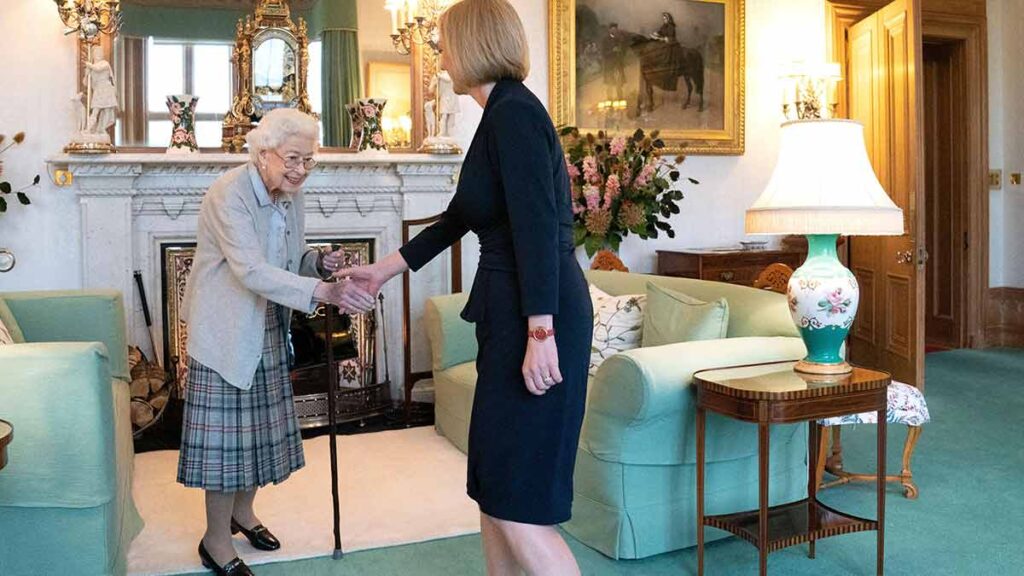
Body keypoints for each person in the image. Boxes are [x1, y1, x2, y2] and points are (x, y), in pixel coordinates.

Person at [336, 1, 592, 574]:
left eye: (445, 43)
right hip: (512, 316)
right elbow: (459, 217)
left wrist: (541, 331)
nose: (440, 54)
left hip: (538, 316)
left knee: (521, 501)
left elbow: (537, 230)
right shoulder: (497, 114)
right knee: (497, 489)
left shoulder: (515, 115)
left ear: (474, 45)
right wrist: (382, 270)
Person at [177, 108, 376, 576]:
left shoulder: (290, 194)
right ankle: (216, 540)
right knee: (227, 445)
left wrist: (319, 264)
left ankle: (243, 515)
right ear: (262, 153)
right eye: (293, 158)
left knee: (260, 433)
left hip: (267, 322)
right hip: (225, 329)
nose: (301, 170)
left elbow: (288, 258)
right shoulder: (229, 194)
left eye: (309, 160)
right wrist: (323, 292)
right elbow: (249, 269)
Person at [85, 45, 117, 134]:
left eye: (100, 52)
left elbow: (98, 69)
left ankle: (102, 129)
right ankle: (88, 129)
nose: (98, 54)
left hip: (106, 88)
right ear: (93, 55)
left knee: (107, 110)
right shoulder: (92, 67)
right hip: (98, 90)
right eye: (96, 53)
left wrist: (90, 65)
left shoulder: (104, 63)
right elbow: (85, 83)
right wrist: (86, 74)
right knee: (95, 111)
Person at [601, 23, 628, 100]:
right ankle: (609, 101)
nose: (614, 31)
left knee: (619, 84)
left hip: (618, 65)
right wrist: (612, 51)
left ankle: (620, 99)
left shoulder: (619, 39)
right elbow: (603, 53)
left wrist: (621, 51)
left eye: (615, 29)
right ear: (609, 30)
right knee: (609, 84)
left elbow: (623, 51)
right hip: (609, 65)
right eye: (612, 29)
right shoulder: (605, 40)